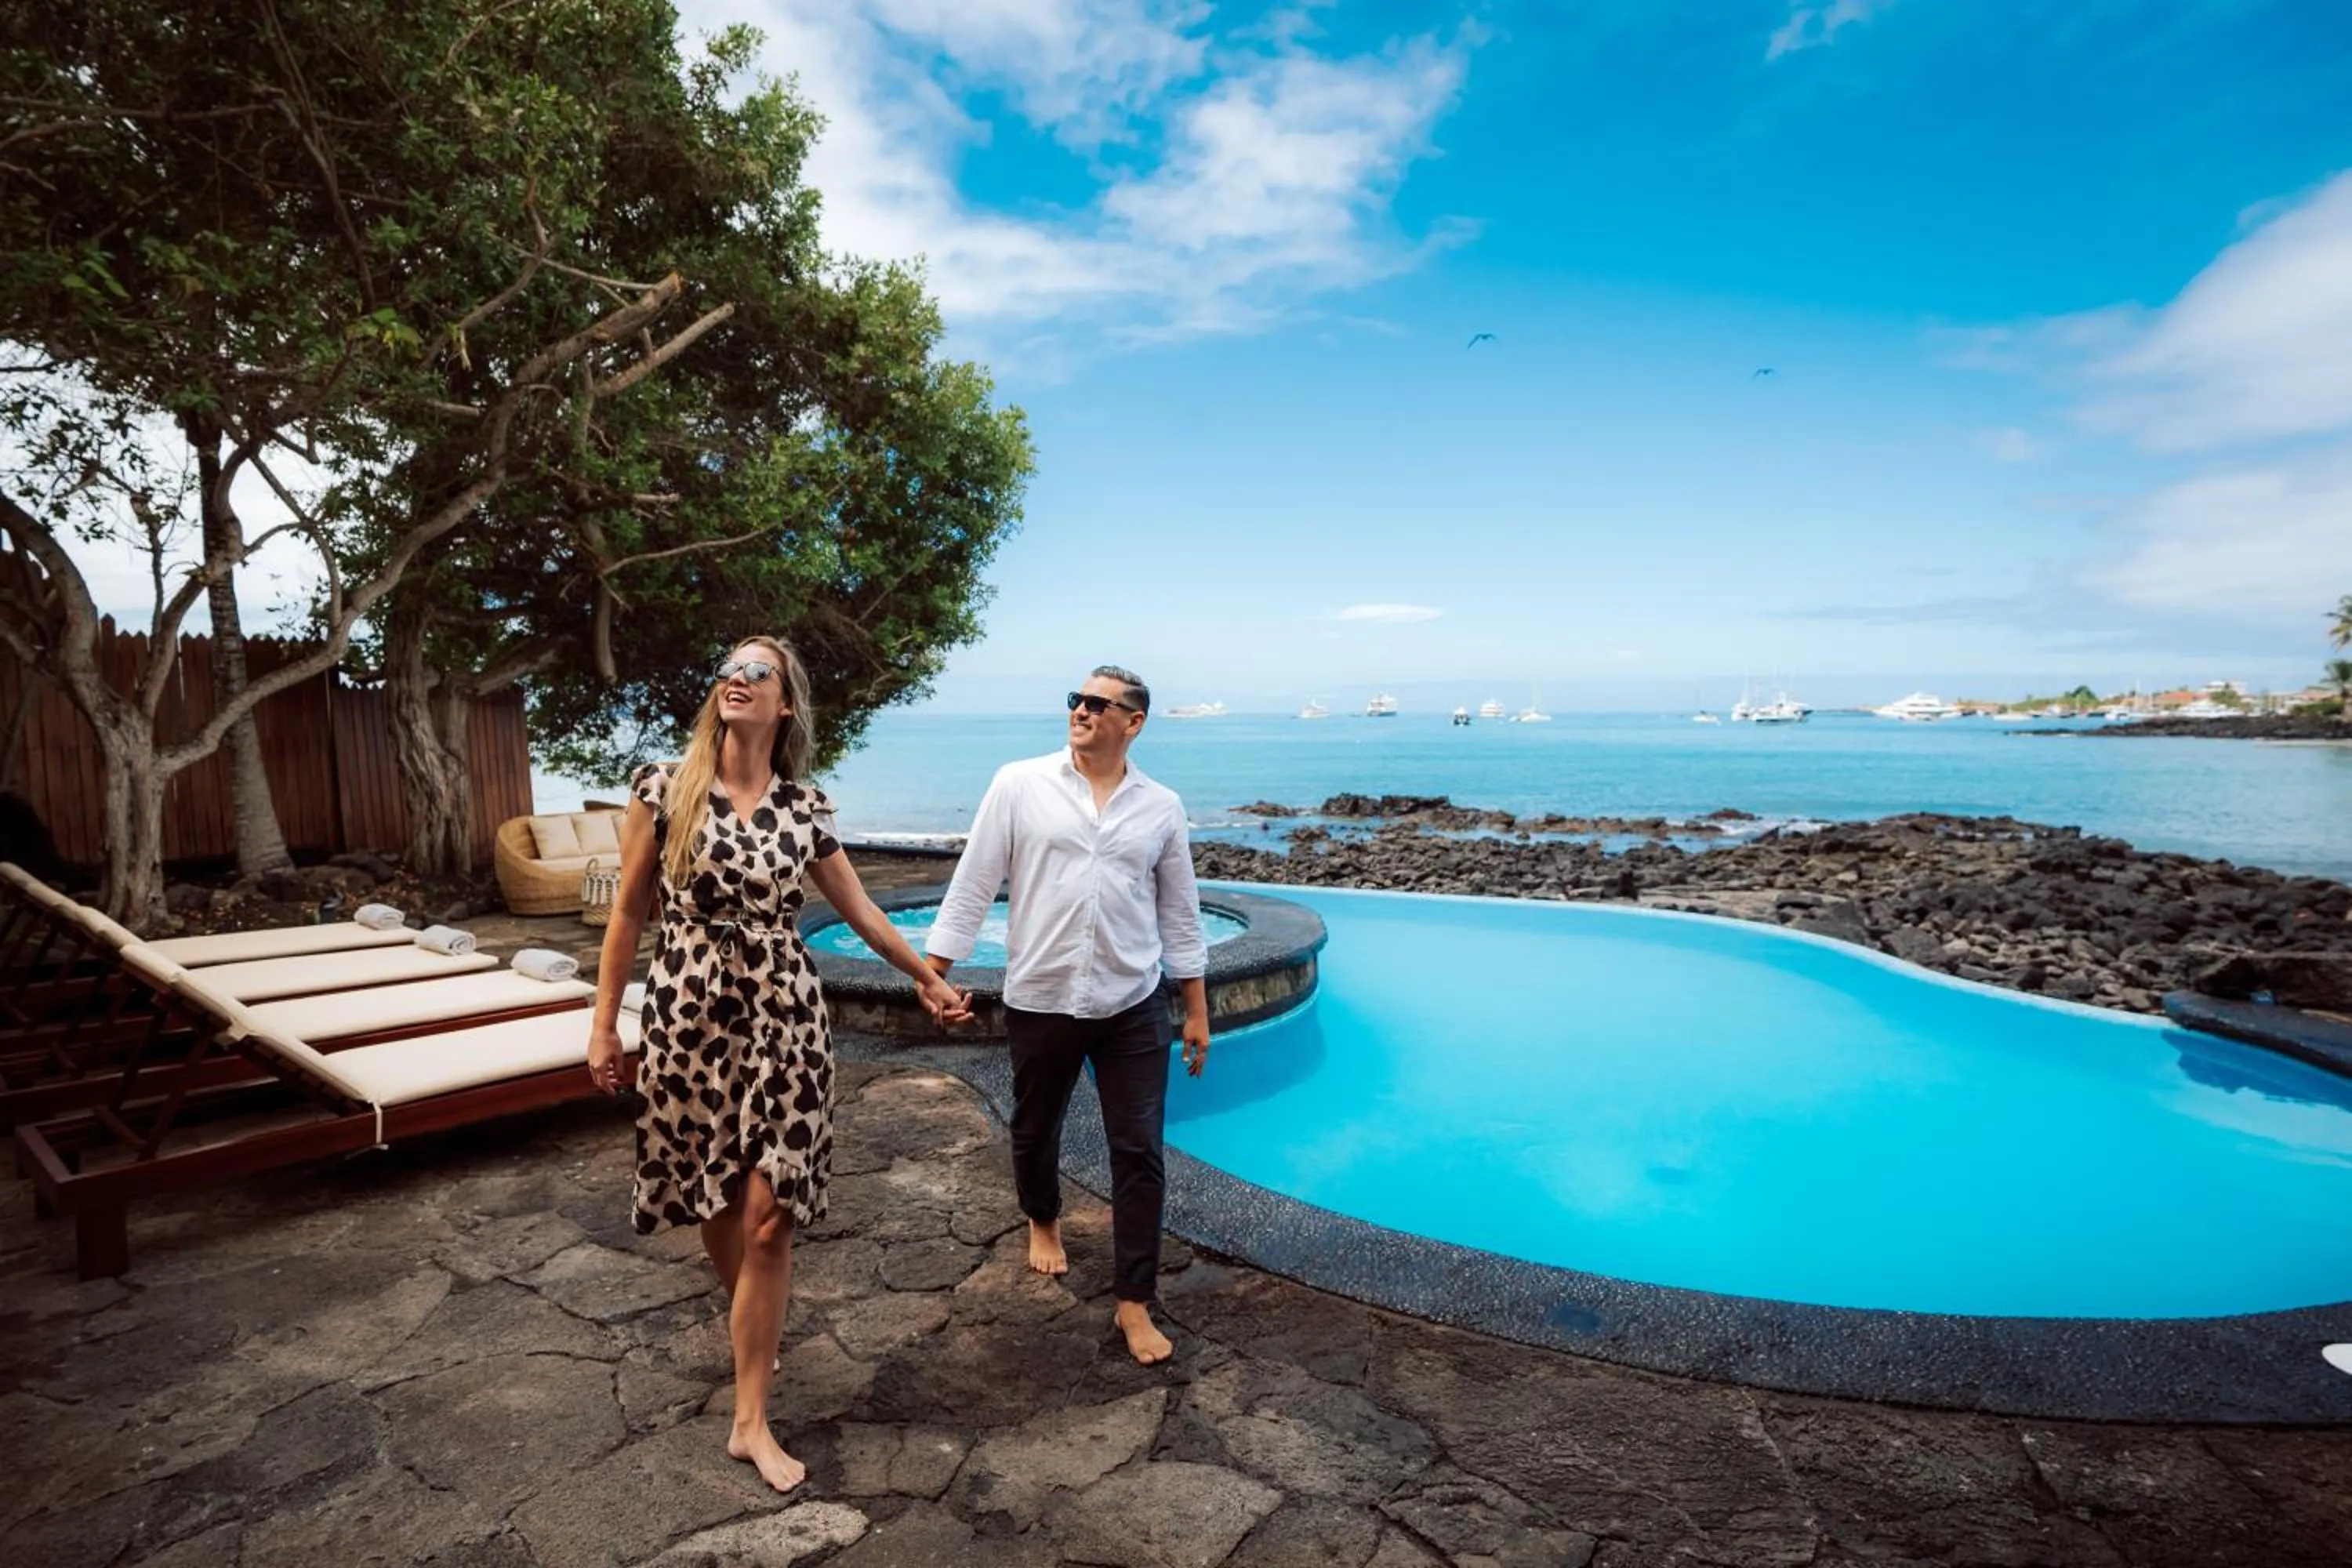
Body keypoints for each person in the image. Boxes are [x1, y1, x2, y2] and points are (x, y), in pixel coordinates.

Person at [586, 635, 970, 1494]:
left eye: (755, 670)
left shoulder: (805, 808)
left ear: (784, 702)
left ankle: (749, 1416)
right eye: (726, 665)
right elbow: (627, 918)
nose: (735, 677)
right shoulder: (665, 789)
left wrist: (926, 980)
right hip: (689, 1012)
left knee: (768, 1216)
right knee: (712, 1197)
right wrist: (604, 1026)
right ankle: (754, 1332)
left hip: (788, 1019)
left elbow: (861, 908)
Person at [924, 664, 1209, 1366]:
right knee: (1034, 1126)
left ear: (1132, 722)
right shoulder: (1019, 784)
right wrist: (933, 975)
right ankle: (1043, 1219)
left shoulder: (1161, 807)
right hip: (1043, 997)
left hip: (1132, 1004)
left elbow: (1180, 914)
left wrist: (1196, 1010)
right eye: (1076, 700)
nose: (1080, 710)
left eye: (1097, 703)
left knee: (1139, 1151)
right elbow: (974, 885)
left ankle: (1133, 1302)